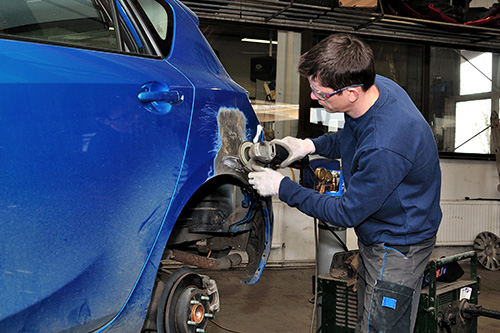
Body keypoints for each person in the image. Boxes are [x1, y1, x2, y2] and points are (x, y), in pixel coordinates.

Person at [248, 33, 442, 333]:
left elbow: (345, 213)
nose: (314, 97)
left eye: (321, 93)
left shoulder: (386, 143)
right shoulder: (377, 87)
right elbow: (353, 138)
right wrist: (309, 146)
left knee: (382, 327)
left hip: (399, 245)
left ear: (351, 92)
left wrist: (281, 187)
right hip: (378, 236)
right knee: (369, 318)